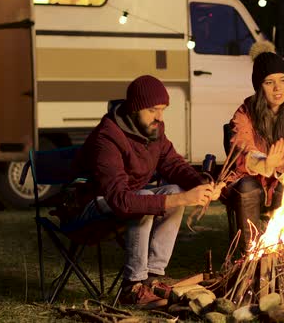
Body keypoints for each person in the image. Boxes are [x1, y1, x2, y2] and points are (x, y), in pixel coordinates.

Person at [70, 75, 224, 308]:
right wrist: (182, 198)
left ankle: (151, 278)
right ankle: (132, 286)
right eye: (153, 110)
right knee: (147, 198)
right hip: (89, 204)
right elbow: (122, 201)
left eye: (162, 109)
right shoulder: (107, 137)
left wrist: (201, 183)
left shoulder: (153, 130)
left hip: (127, 198)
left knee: (172, 189)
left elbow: (172, 164)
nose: (159, 117)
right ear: (135, 108)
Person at [224, 51, 284, 248]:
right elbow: (242, 146)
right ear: (259, 86)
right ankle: (250, 255)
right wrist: (263, 162)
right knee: (246, 187)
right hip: (252, 178)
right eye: (269, 82)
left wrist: (278, 166)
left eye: (283, 80)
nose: (278, 88)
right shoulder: (245, 113)